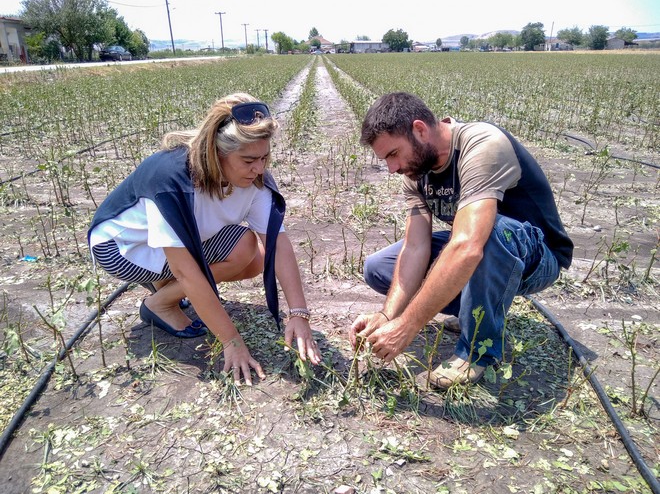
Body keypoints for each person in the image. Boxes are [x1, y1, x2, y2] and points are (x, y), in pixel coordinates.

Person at [88, 93, 321, 385]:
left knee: (255, 255)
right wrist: (231, 341)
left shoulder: (256, 181)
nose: (259, 168)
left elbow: (279, 246)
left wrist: (299, 313)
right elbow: (187, 270)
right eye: (248, 160)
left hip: (176, 243)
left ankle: (166, 289)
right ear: (216, 153)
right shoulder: (171, 180)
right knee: (218, 260)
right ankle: (160, 303)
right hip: (123, 249)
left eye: (264, 157)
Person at [349, 92, 573, 389]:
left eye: (393, 154)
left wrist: (408, 325)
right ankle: (474, 310)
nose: (393, 168)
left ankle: (476, 352)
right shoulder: (416, 172)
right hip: (483, 247)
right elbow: (416, 247)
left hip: (536, 255)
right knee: (379, 267)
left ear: (419, 129)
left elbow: (468, 247)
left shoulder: (481, 145)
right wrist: (388, 314)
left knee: (484, 235)